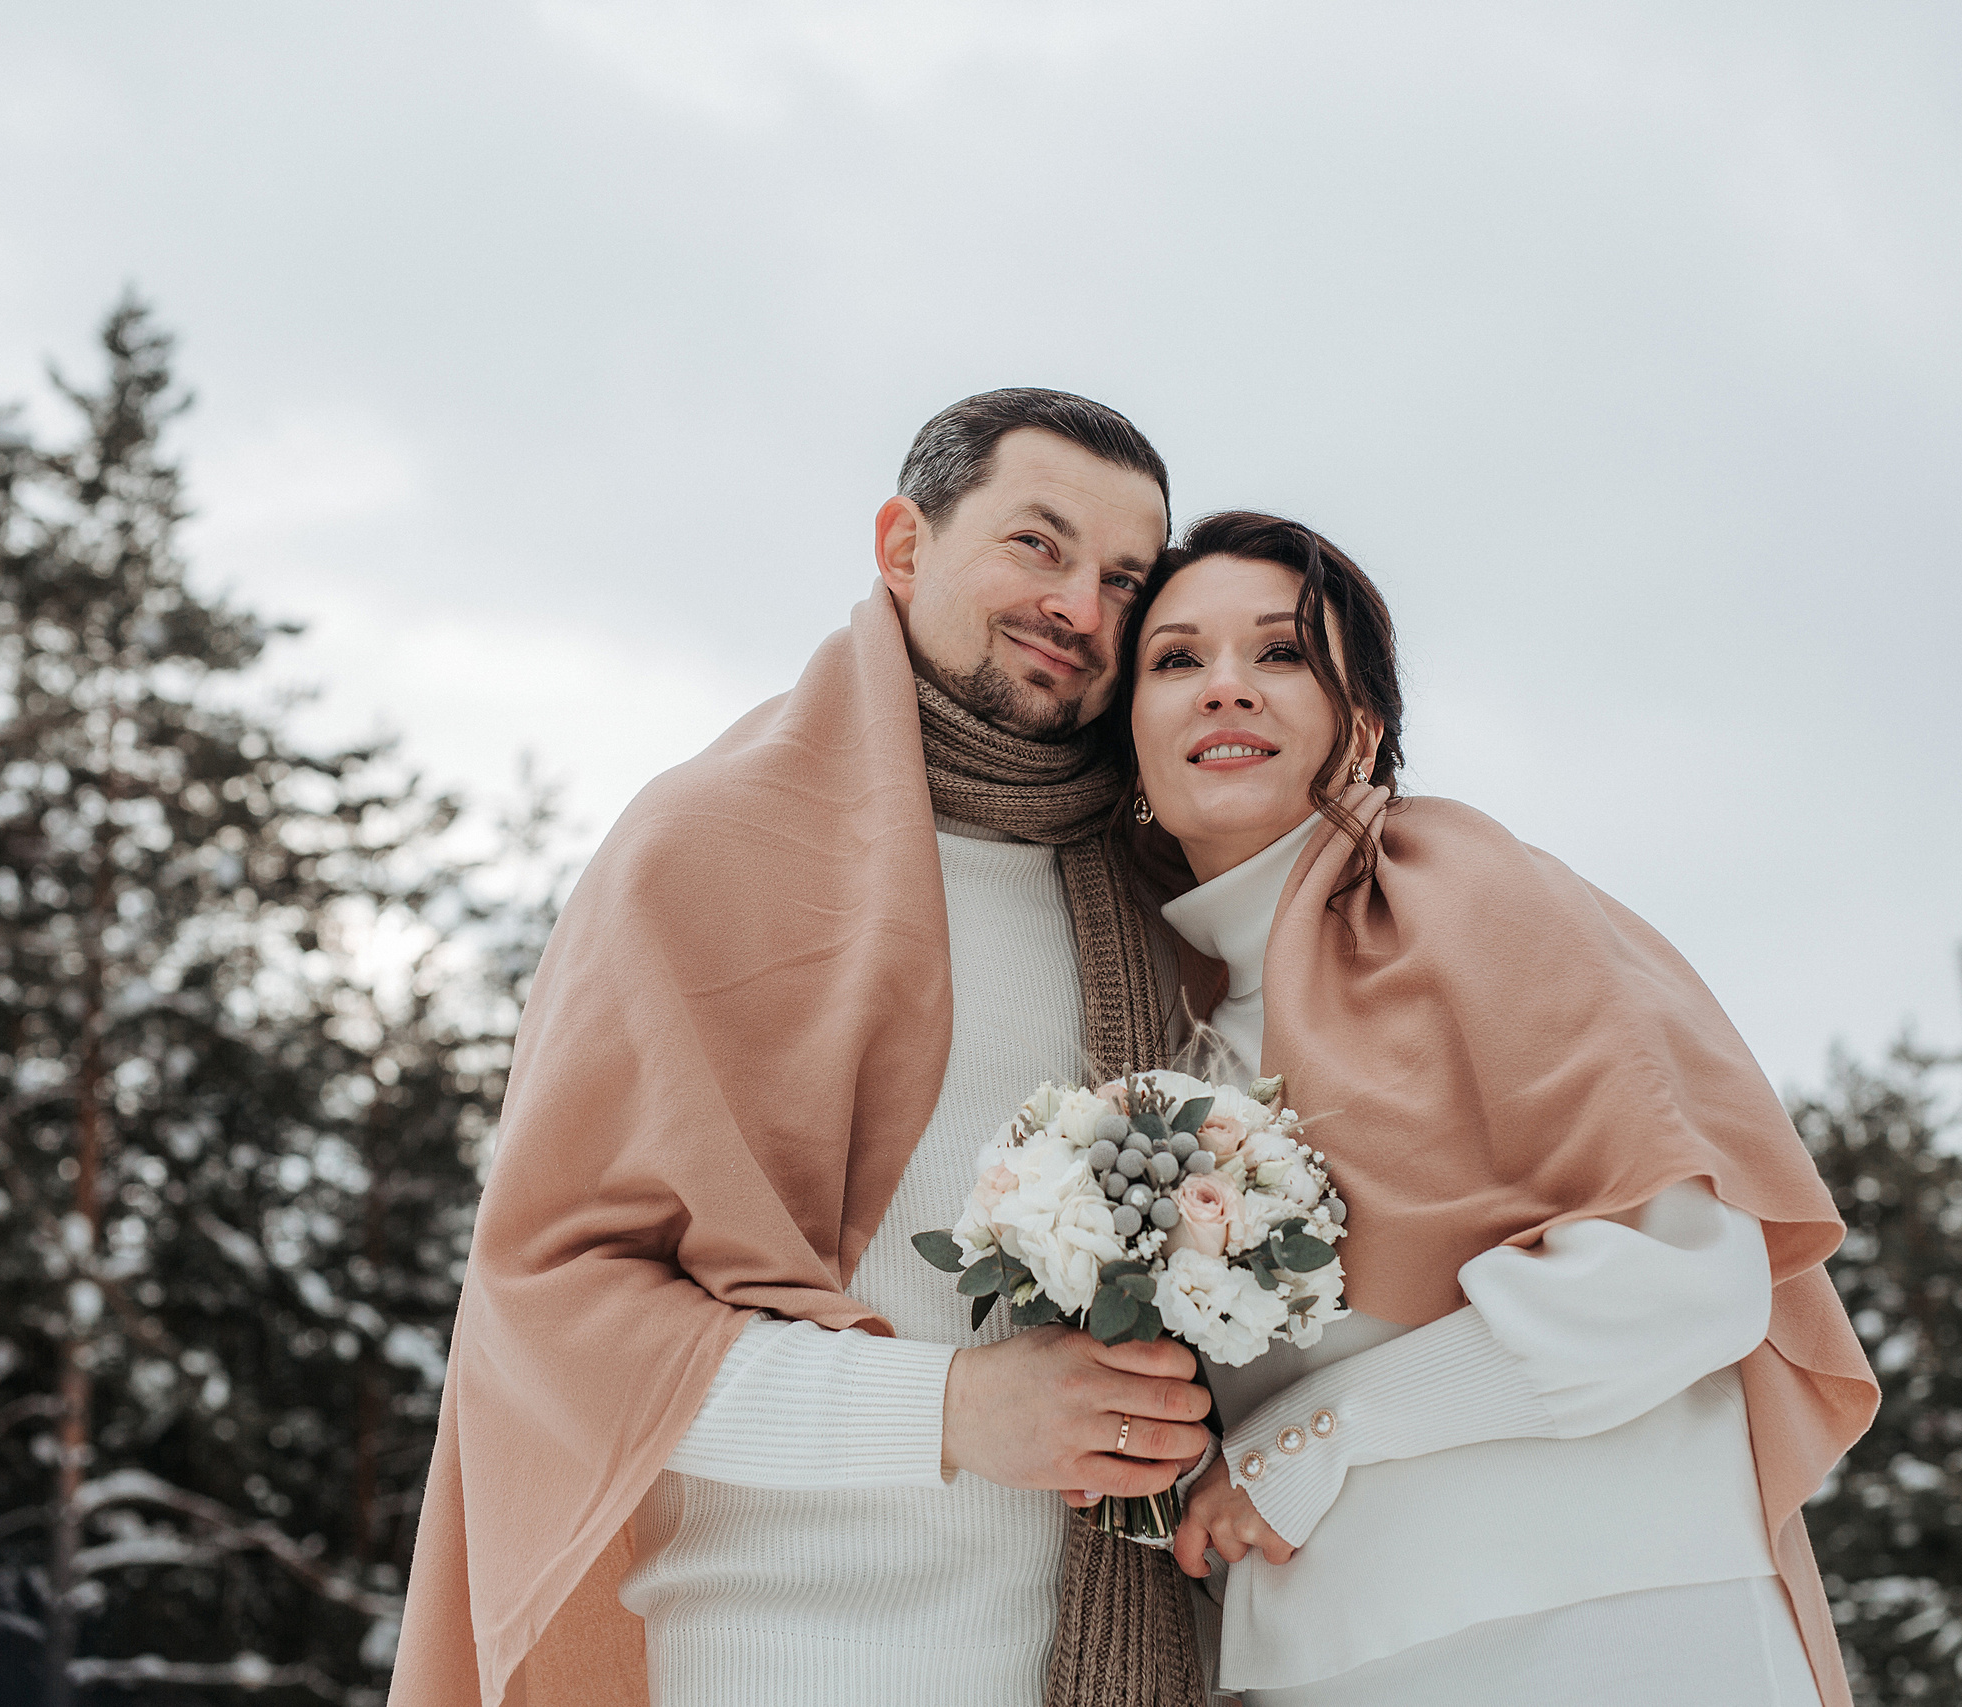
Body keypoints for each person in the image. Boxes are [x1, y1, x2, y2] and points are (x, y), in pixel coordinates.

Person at [389, 390, 1222, 1707]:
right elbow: (552, 1320)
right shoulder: (703, 850)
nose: (1083, 605)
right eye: (1038, 545)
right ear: (903, 546)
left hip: (1124, 1660)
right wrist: (950, 1408)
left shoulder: (1173, 903)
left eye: (1128, 579)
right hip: (779, 1651)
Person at [1107, 512, 1880, 1707]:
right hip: (1317, 1659)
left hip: (1608, 1623)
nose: (1224, 689)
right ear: (1133, 745)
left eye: (1279, 654)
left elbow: (1687, 1275)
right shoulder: (1142, 1031)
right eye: (1174, 660)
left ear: (1361, 724)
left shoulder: (1469, 898)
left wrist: (1310, 1438)